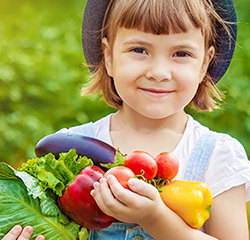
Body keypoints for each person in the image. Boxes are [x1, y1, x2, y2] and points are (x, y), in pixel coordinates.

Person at [4, 0, 250, 239]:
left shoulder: (218, 157)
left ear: (204, 64)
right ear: (108, 56)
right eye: (139, 50)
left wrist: (155, 219)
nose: (159, 73)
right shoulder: (69, 151)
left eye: (181, 53)